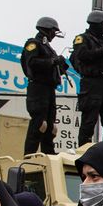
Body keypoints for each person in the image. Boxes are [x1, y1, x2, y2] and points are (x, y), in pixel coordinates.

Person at [70, 10, 103, 146]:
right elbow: (82, 55)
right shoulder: (82, 38)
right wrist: (101, 52)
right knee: (89, 121)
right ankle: (83, 150)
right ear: (96, 24)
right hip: (91, 83)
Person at [20, 16, 68, 155]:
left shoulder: (49, 48)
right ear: (47, 29)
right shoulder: (33, 44)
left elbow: (55, 66)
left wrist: (61, 64)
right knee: (39, 123)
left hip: (49, 89)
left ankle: (49, 153)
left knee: (50, 125)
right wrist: (52, 61)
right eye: (53, 31)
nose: (54, 35)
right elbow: (32, 62)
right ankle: (29, 155)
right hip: (38, 89)